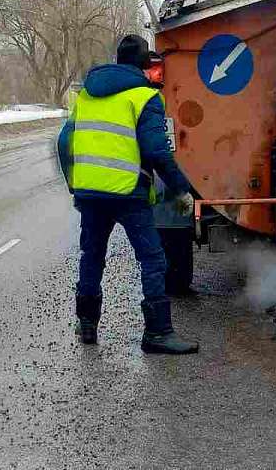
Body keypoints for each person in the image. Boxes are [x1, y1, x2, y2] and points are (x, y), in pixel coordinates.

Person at [57, 35, 198, 354]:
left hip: (91, 193)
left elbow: (64, 141)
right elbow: (157, 152)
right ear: (144, 65)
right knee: (152, 259)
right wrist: (181, 189)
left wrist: (74, 183)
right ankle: (158, 332)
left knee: (92, 257)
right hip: (128, 193)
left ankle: (88, 326)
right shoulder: (145, 97)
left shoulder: (86, 96)